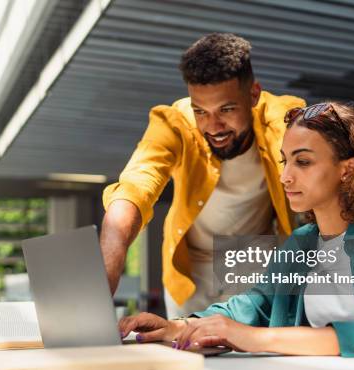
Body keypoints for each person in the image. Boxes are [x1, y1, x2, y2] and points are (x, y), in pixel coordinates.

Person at [118, 102, 354, 366]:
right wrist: (179, 326)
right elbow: (255, 305)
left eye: (303, 162)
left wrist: (255, 339)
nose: (285, 177)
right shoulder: (304, 241)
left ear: (348, 169)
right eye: (284, 161)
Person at [101, 33, 305, 317]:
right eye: (201, 111)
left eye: (227, 109)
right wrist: (109, 259)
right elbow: (137, 183)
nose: (214, 127)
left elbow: (309, 173)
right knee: (186, 347)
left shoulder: (283, 117)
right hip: (190, 266)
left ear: (253, 95)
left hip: (252, 256)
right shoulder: (174, 122)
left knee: (248, 350)